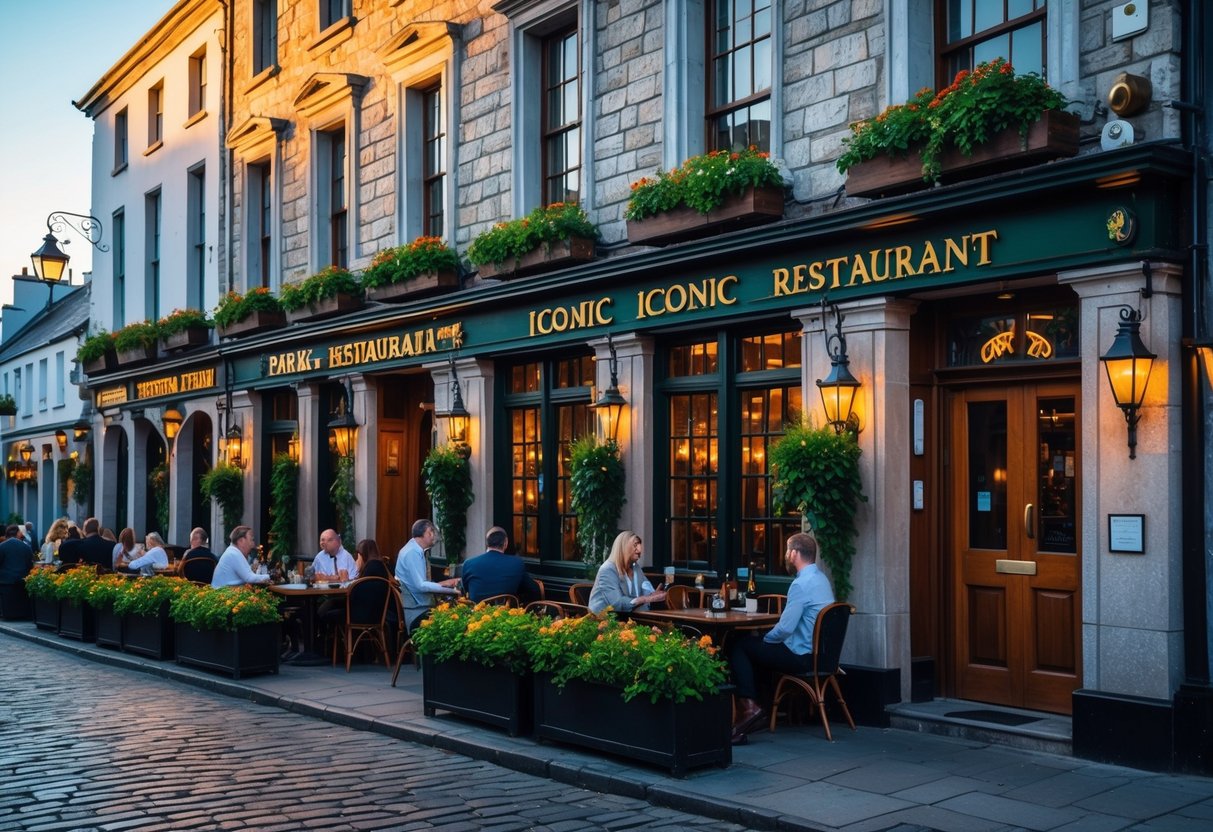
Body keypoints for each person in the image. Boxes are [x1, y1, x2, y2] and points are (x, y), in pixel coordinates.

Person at [728, 532, 835, 745]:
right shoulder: (822, 580)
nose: (786, 554)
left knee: (740, 646)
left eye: (787, 550)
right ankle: (760, 710)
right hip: (821, 657)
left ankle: (750, 708)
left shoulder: (800, 584)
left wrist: (765, 638)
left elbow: (785, 628)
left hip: (801, 656)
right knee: (757, 649)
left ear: (794, 553)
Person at [394, 519, 459, 632]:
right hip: (417, 614)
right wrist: (454, 590)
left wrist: (442, 585)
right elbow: (421, 586)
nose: (433, 535)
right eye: (431, 531)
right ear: (424, 534)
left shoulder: (413, 549)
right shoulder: (412, 552)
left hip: (418, 609)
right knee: (456, 623)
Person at [587, 531, 666, 614]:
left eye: (640, 545)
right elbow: (617, 604)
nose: (639, 551)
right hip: (603, 622)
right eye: (635, 545)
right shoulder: (607, 569)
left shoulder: (636, 568)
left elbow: (647, 589)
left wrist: (653, 595)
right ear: (623, 547)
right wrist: (645, 599)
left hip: (629, 619)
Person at [460, 526, 541, 604]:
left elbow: (466, 590)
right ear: (506, 543)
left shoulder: (469, 564)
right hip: (505, 615)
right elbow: (534, 590)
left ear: (487, 543)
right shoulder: (516, 563)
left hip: (476, 615)